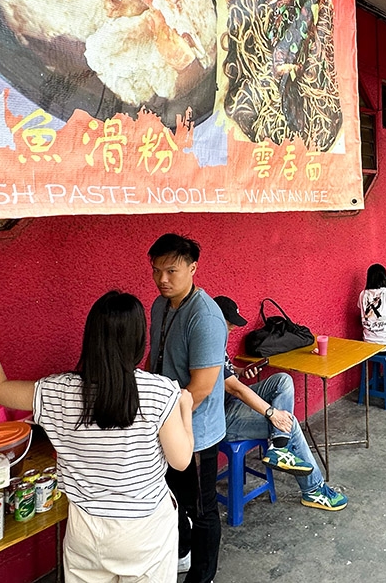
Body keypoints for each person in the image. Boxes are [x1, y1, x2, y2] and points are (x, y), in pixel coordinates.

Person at [0, 291, 195, 583]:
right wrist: (185, 409)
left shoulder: (57, 391)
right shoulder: (161, 392)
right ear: (138, 340)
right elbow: (181, 461)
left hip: (85, 529)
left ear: (91, 338)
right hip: (145, 531)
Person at [213, 296, 348, 511]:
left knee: (282, 379)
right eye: (229, 324)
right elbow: (234, 388)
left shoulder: (217, 340)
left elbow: (228, 377)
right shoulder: (208, 341)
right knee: (288, 422)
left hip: (231, 403)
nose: (231, 330)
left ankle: (279, 444)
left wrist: (240, 371)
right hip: (222, 419)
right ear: (216, 320)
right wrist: (271, 413)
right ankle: (313, 490)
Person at [147, 234, 227, 581]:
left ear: (193, 268)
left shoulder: (206, 317)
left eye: (171, 271)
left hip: (198, 432)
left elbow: (203, 387)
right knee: (171, 496)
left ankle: (203, 574)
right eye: (156, 270)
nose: (162, 279)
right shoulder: (159, 305)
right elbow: (155, 360)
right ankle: (181, 551)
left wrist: (164, 421)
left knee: (203, 506)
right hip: (165, 422)